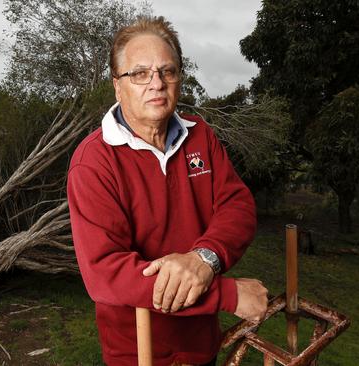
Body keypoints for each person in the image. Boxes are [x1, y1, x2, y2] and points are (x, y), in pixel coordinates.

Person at [67, 15, 268, 366]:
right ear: (117, 85)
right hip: (138, 351)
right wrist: (225, 294)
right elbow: (107, 273)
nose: (156, 83)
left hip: (201, 343)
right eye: (140, 73)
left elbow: (236, 205)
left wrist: (205, 258)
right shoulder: (94, 162)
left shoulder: (200, 136)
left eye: (167, 71)